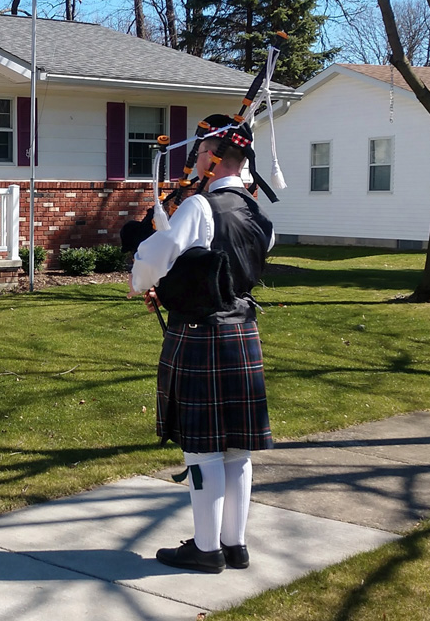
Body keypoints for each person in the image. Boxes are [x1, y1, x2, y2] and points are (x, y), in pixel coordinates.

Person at [128, 114, 275, 574]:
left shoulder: (199, 208)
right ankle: (235, 544)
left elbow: (153, 262)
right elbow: (224, 271)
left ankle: (206, 550)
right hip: (242, 331)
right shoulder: (259, 214)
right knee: (237, 449)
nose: (195, 160)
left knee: (202, 447)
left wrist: (147, 266)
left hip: (201, 335)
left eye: (200, 152)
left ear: (212, 155)